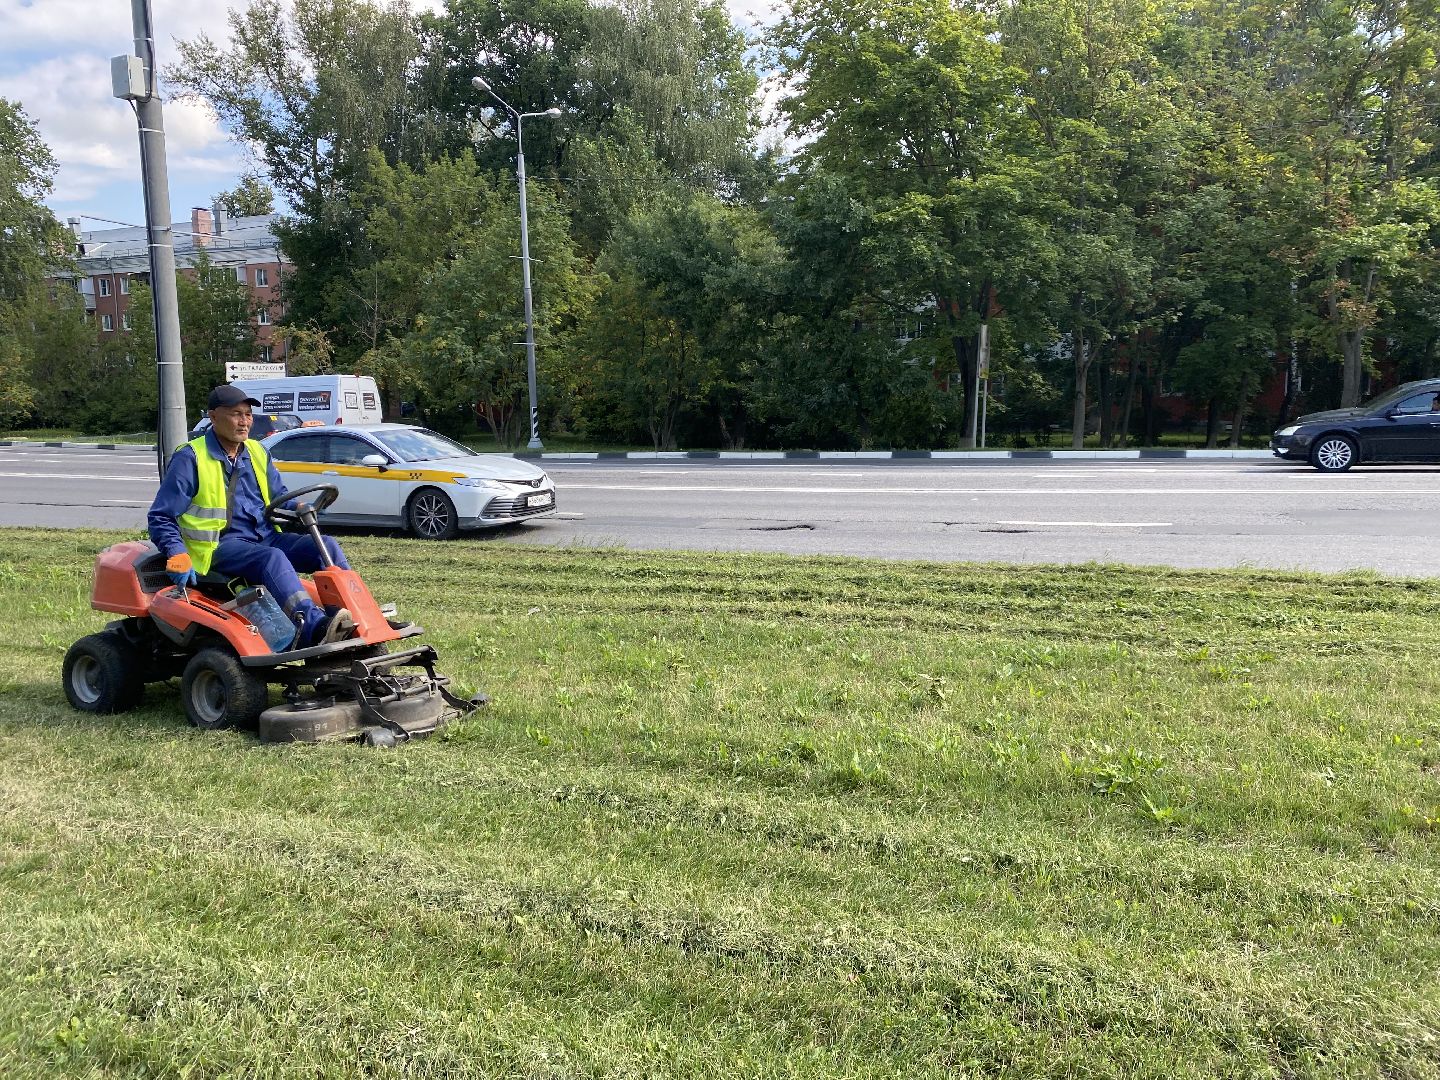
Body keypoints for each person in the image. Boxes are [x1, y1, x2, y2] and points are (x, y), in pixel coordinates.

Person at [148, 384, 355, 648]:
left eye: (247, 414)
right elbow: (160, 516)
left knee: (326, 545)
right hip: (218, 547)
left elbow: (279, 496)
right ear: (212, 417)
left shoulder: (257, 451)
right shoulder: (191, 458)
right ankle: (314, 627)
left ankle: (350, 618)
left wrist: (301, 506)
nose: (244, 421)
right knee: (272, 558)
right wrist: (176, 552)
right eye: (236, 414)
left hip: (265, 537)